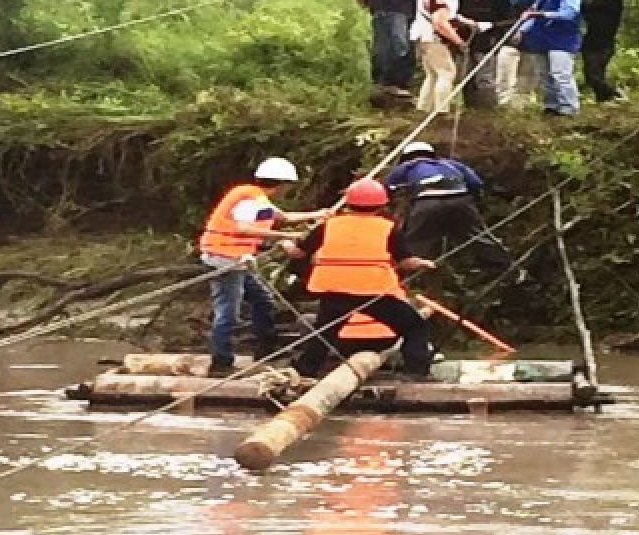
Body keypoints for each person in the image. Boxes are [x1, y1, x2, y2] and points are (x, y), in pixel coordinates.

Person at [286, 178, 436, 379]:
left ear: (348, 202)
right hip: (373, 292)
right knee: (416, 326)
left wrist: (286, 245)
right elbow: (405, 262)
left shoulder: (329, 225)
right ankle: (416, 373)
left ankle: (306, 370)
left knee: (324, 333)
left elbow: (299, 253)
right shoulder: (387, 228)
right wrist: (423, 263)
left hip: (334, 290)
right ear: (382, 204)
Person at [197, 157, 329, 372]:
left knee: (262, 300)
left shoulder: (257, 198)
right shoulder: (250, 200)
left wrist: (317, 215)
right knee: (228, 312)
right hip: (225, 258)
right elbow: (244, 228)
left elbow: (282, 217)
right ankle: (221, 361)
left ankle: (267, 346)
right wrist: (285, 236)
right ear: (283, 184)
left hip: (239, 259)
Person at [384, 142, 515, 275]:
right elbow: (476, 183)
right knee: (475, 235)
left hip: (428, 203)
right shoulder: (452, 164)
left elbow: (388, 188)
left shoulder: (408, 166)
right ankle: (503, 265)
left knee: (416, 239)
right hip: (460, 200)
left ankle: (404, 276)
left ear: (407, 157)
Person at [515, 0, 584, 117]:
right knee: (545, 75)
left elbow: (569, 12)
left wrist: (542, 15)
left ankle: (569, 108)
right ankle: (551, 105)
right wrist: (522, 30)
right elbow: (532, 13)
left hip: (562, 38)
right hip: (541, 37)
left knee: (561, 74)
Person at [409, 0, 477, 115]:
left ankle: (423, 109)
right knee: (447, 72)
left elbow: (449, 14)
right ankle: (441, 111)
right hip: (431, 36)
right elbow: (440, 23)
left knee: (433, 75)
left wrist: (466, 21)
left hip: (430, 37)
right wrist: (459, 41)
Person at [457, 0, 518, 109]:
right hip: (463, 43)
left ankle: (487, 109)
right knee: (466, 77)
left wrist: (492, 25)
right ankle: (470, 108)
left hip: (488, 43)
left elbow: (510, 20)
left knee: (485, 78)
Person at [580, 0, 626, 102]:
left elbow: (593, 14)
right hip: (590, 42)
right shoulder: (593, 0)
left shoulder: (613, 0)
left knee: (594, 76)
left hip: (604, 45)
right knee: (592, 76)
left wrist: (586, 0)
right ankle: (603, 99)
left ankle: (614, 94)